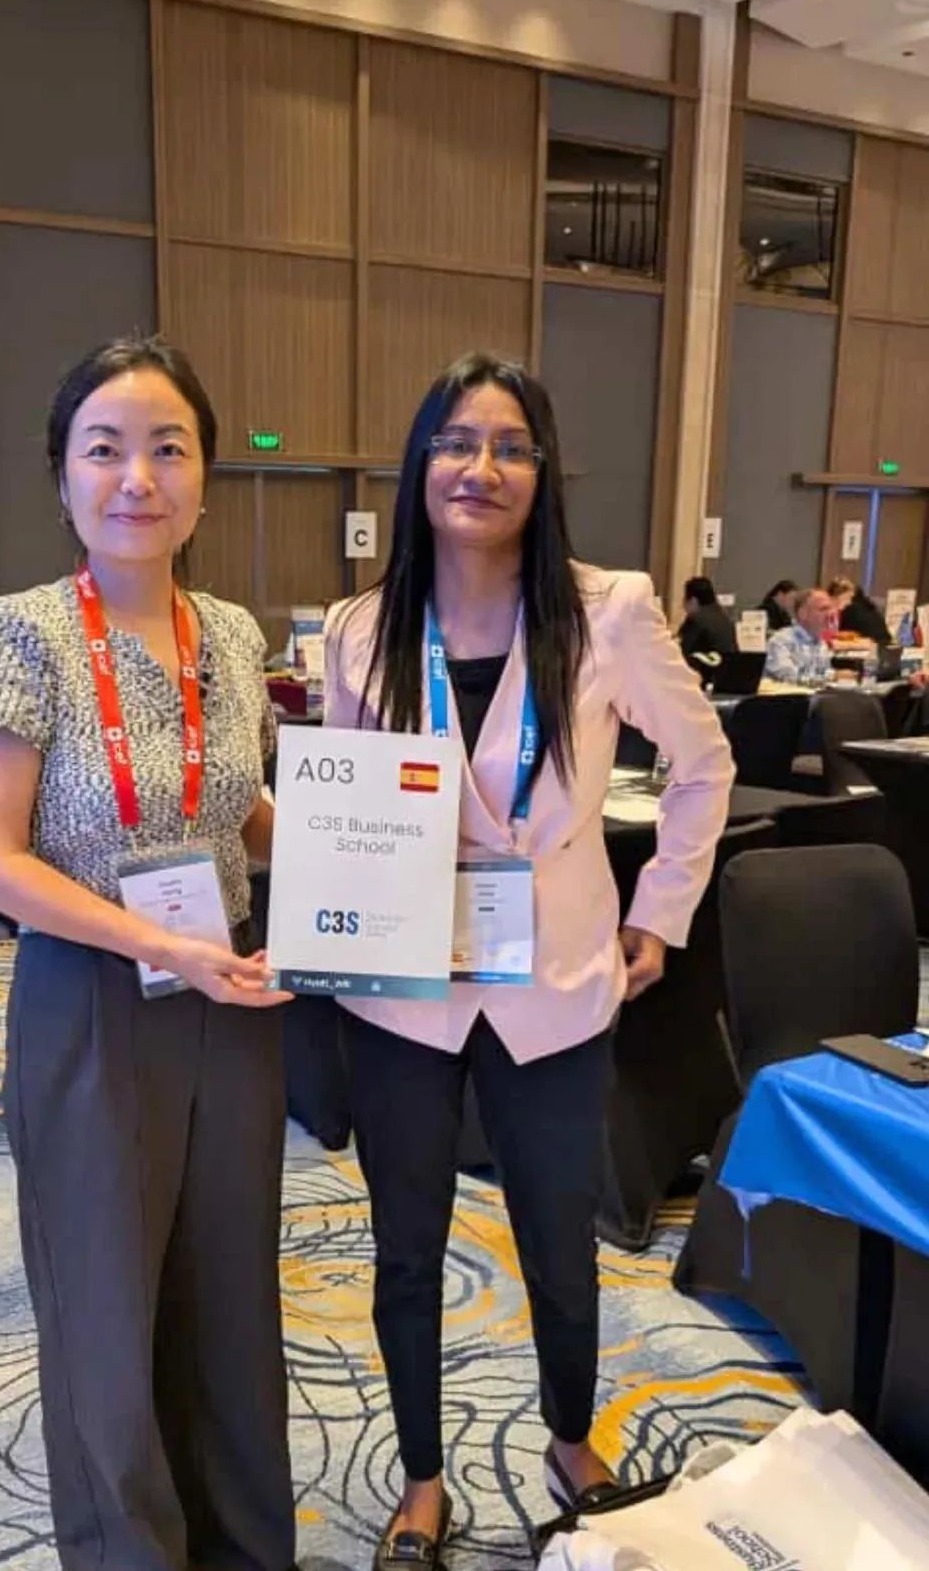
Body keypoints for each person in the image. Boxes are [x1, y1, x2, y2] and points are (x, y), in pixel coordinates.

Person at [325, 353, 733, 1568]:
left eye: (509, 446)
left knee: (560, 1237)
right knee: (405, 1247)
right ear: (419, 463)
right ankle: (419, 1479)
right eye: (456, 442)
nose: (480, 467)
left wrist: (659, 911)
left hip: (553, 981)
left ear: (541, 472)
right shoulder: (359, 626)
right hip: (401, 992)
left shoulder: (607, 609)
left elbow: (701, 760)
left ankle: (567, 1440)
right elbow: (350, 803)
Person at [0, 335, 297, 1571]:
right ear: (62, 477)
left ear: (204, 480)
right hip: (90, 996)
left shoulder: (233, 634)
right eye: (105, 449)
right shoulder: (15, 635)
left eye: (168, 449)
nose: (137, 477)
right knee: (104, 1304)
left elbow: (236, 809)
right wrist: (155, 941)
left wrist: (371, 864)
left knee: (230, 1292)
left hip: (230, 999)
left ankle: (246, 1546)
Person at [764, 587, 835, 685]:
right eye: (823, 609)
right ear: (803, 614)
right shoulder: (780, 641)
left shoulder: (820, 643)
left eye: (830, 609)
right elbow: (791, 676)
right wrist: (833, 675)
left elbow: (821, 675)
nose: (830, 614)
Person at [678, 575, 738, 662]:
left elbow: (683, 653)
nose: (683, 605)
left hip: (705, 667)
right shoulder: (723, 617)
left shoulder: (696, 620)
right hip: (727, 667)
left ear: (693, 601)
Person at [828, 578, 892, 646]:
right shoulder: (867, 606)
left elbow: (839, 637)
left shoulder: (850, 610)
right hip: (884, 646)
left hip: (869, 647)